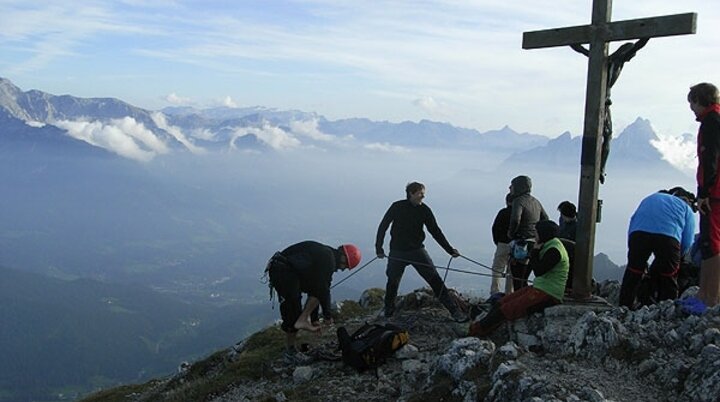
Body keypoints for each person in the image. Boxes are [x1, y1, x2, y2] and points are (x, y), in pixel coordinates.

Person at [375, 181, 467, 322]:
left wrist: (449, 250)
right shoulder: (397, 206)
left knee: (435, 281)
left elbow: (435, 231)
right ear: (411, 193)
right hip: (397, 251)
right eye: (420, 194)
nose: (423, 197)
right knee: (392, 283)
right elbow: (383, 226)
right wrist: (378, 248)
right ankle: (388, 312)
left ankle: (455, 312)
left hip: (417, 251)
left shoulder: (424, 210)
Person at [469, 220, 569, 337]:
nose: (535, 235)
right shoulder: (548, 245)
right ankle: (478, 328)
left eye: (536, 232)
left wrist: (535, 251)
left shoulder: (554, 250)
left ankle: (476, 331)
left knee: (507, 309)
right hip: (540, 287)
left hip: (549, 294)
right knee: (501, 303)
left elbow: (539, 271)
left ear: (543, 234)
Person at [266, 241, 361, 363]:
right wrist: (327, 315)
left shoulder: (327, 255)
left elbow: (316, 289)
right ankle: (290, 352)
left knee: (313, 294)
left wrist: (315, 318)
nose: (343, 269)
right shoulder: (329, 260)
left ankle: (303, 321)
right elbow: (324, 290)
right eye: (346, 265)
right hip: (283, 272)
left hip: (285, 269)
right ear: (343, 257)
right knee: (292, 311)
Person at [572, 38, 649, 184]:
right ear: (626, 53)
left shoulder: (600, 58)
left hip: (596, 102)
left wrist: (571, 40)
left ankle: (598, 168)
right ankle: (600, 169)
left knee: (600, 137)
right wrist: (649, 34)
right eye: (631, 55)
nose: (632, 58)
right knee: (607, 137)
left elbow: (580, 49)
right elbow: (638, 46)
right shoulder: (618, 61)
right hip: (604, 104)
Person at [618, 188, 696, 309]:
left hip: (638, 234)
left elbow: (633, 222)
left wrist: (633, 249)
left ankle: (624, 306)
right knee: (668, 275)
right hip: (668, 237)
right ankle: (665, 311)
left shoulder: (651, 198)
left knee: (634, 271)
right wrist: (679, 257)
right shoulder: (686, 208)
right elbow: (687, 240)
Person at [688, 82, 720, 310]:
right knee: (711, 243)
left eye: (692, 102)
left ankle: (708, 298)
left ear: (700, 99)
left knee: (712, 244)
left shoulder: (711, 122)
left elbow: (710, 159)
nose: (691, 108)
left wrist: (704, 193)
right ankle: (705, 293)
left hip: (715, 194)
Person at [507, 175, 548, 291]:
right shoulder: (536, 202)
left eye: (512, 186)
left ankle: (518, 305)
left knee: (517, 278)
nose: (510, 188)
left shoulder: (518, 201)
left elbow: (515, 219)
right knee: (524, 278)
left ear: (519, 187)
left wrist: (511, 233)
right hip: (534, 244)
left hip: (521, 245)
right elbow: (546, 219)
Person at [489, 193, 513, 295]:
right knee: (511, 272)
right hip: (516, 246)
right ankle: (509, 293)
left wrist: (497, 242)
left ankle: (495, 292)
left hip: (502, 244)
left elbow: (494, 228)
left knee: (497, 269)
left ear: (507, 201)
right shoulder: (521, 213)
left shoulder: (503, 213)